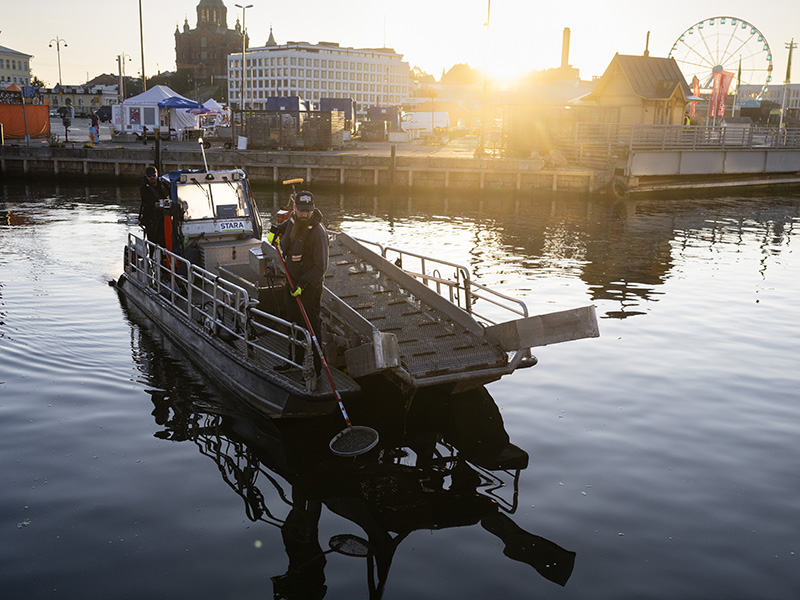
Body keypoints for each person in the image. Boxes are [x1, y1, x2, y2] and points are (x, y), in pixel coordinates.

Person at [267, 191, 328, 375]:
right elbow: (285, 226)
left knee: (312, 329)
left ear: (312, 210)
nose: (304, 215)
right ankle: (294, 360)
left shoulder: (318, 233)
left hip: (308, 289)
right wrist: (274, 231)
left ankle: (316, 369)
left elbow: (321, 267)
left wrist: (303, 284)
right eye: (301, 210)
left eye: (307, 211)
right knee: (292, 324)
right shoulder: (294, 220)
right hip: (291, 284)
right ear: (295, 209)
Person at [138, 165, 171, 248]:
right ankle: (153, 258)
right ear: (146, 176)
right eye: (149, 176)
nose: (152, 178)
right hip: (151, 219)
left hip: (164, 217)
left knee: (164, 241)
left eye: (153, 175)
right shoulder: (144, 188)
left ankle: (164, 257)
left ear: (157, 174)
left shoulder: (164, 185)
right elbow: (148, 201)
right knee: (152, 241)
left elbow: (171, 195)